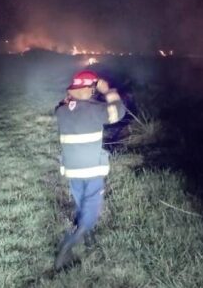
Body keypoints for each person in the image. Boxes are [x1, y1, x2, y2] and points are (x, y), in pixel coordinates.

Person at [54, 70, 125, 270]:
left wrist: (74, 95)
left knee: (80, 202)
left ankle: (87, 233)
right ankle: (72, 240)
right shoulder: (95, 110)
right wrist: (108, 90)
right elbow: (118, 112)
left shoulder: (62, 110)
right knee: (92, 206)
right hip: (92, 170)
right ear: (89, 90)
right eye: (93, 89)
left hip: (72, 170)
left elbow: (66, 103)